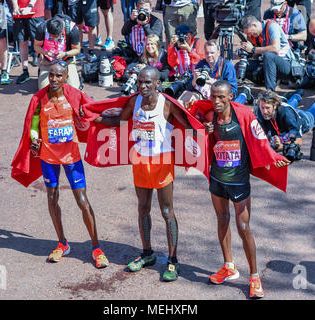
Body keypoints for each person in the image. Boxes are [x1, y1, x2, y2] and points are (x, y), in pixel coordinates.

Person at [91, 66, 197, 281]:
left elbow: (189, 127)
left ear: (158, 83)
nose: (143, 86)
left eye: (148, 82)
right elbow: (120, 122)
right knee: (143, 209)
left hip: (162, 162)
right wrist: (94, 119)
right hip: (140, 160)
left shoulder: (166, 104)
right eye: (140, 82)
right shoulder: (134, 102)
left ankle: (173, 260)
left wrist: (200, 125)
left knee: (167, 212)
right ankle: (147, 253)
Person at [11, 60, 109, 268]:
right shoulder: (39, 98)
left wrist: (117, 118)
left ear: (65, 77)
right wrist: (35, 137)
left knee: (82, 201)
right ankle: (62, 243)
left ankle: (96, 248)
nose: (54, 79)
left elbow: (92, 113)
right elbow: (34, 122)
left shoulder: (73, 95)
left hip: (71, 157)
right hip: (48, 157)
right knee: (52, 197)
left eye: (58, 76)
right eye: (51, 75)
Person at [202, 81, 290, 299]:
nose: (217, 101)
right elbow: (194, 122)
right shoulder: (210, 116)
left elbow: (259, 140)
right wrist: (205, 130)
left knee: (243, 227)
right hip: (217, 178)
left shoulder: (244, 115)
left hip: (239, 180)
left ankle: (254, 276)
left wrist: (273, 157)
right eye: (213, 97)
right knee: (222, 220)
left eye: (221, 97)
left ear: (231, 96)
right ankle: (229, 267)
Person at [239, 15, 295, 92]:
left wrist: (253, 49)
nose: (249, 35)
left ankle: (270, 92)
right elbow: (256, 54)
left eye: (250, 33)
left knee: (268, 56)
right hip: (268, 66)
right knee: (241, 66)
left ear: (254, 25)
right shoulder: (257, 34)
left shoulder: (271, 26)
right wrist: (245, 52)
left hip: (286, 65)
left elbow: (275, 49)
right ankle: (263, 81)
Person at [34, 14, 82, 90]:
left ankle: (72, 75)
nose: (54, 38)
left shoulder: (72, 29)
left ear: (62, 29)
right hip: (48, 62)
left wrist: (65, 54)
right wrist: (46, 52)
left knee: (74, 89)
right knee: (44, 90)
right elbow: (36, 46)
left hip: (67, 61)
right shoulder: (42, 28)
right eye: (51, 35)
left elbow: (77, 49)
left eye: (57, 36)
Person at [12, 0, 45, 84]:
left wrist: (30, 6)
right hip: (20, 14)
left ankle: (41, 71)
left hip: (35, 13)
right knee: (22, 42)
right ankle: (25, 71)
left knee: (38, 43)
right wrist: (15, 6)